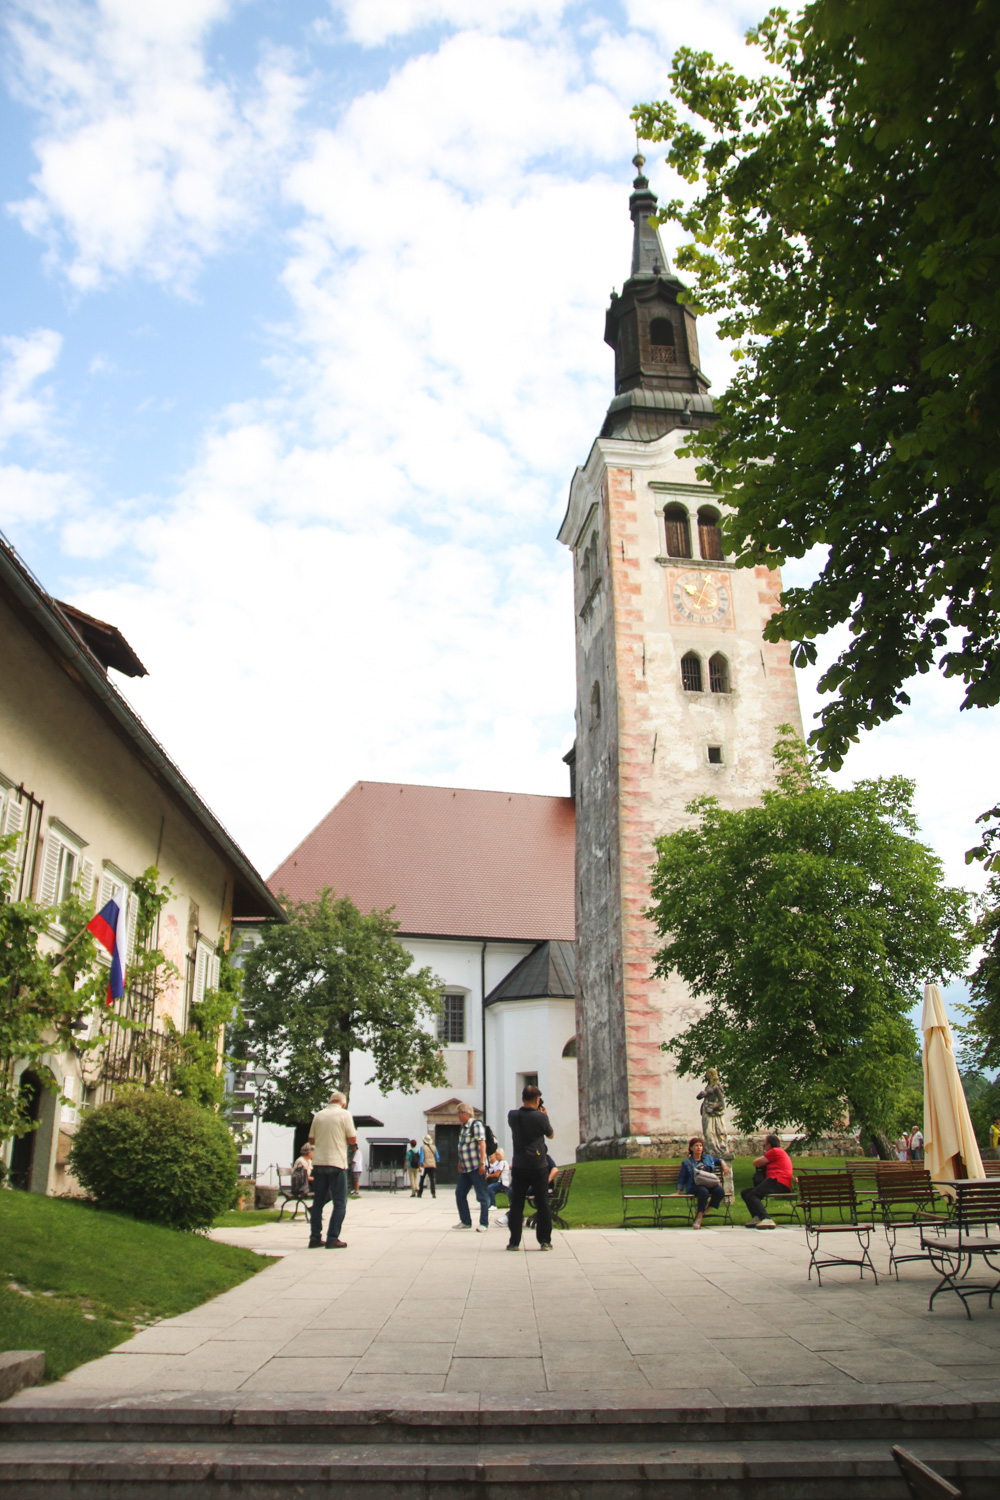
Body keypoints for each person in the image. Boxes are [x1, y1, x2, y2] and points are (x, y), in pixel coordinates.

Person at [506, 1084, 554, 1251]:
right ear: (537, 1100)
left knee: (517, 1205)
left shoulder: (512, 1116)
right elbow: (551, 1135)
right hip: (538, 1165)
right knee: (543, 1203)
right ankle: (545, 1240)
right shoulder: (541, 1118)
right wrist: (544, 1116)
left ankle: (514, 1242)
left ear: (522, 1098)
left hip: (519, 1164)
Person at [307, 1090, 356, 1248]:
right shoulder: (344, 1114)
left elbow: (311, 1139)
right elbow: (352, 1139)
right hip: (337, 1163)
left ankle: (315, 1237)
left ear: (330, 1101)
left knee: (318, 1201)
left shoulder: (319, 1115)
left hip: (319, 1162)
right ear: (343, 1103)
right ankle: (332, 1237)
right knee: (340, 1202)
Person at [741, 1133, 794, 1229]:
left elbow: (756, 1162)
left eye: (764, 1145)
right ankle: (757, 1217)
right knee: (745, 1193)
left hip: (778, 1181)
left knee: (753, 1195)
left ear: (769, 1145)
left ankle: (766, 1218)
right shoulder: (779, 1152)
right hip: (778, 1182)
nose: (764, 1147)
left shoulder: (774, 1151)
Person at [675, 1135, 725, 1230]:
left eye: (701, 1146)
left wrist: (724, 1165)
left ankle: (704, 1212)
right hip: (695, 1185)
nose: (699, 1148)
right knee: (704, 1191)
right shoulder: (686, 1163)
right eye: (696, 1146)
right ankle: (699, 1217)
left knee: (720, 1191)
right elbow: (682, 1177)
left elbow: (719, 1159)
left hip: (709, 1183)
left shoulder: (708, 1158)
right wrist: (678, 1191)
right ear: (691, 1148)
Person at [453, 1102, 490, 1231]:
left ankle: (484, 1223)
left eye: (459, 1113)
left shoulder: (476, 1125)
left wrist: (482, 1163)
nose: (458, 1116)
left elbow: (482, 1144)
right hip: (465, 1168)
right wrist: (459, 1162)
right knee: (460, 1193)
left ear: (466, 1113)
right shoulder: (463, 1128)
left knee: (482, 1195)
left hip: (475, 1166)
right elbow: (462, 1146)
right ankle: (465, 1221)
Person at [417, 1132, 438, 1197]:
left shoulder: (423, 1147)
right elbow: (437, 1157)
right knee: (432, 1179)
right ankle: (433, 1193)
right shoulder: (434, 1147)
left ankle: (420, 1193)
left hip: (425, 1166)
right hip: (432, 1165)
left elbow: (422, 1157)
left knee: (422, 1179)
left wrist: (420, 1165)